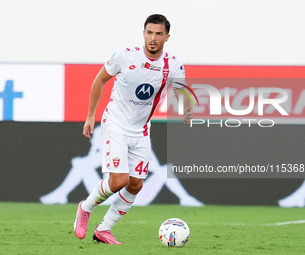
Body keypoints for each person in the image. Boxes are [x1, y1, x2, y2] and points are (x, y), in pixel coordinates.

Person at [73, 14, 193, 245]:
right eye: (149, 32)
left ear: (167, 37)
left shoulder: (173, 64)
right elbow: (99, 80)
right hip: (115, 124)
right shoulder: (124, 55)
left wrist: (186, 108)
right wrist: (90, 115)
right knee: (119, 180)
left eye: (159, 34)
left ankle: (103, 229)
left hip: (141, 130)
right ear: (144, 33)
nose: (153, 38)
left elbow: (181, 91)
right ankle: (85, 207)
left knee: (136, 184)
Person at [40, 125, 203, 206]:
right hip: (107, 196)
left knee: (164, 170)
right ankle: (60, 194)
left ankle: (185, 198)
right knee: (81, 165)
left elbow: (153, 165)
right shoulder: (103, 140)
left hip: (136, 194)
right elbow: (89, 160)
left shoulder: (138, 136)